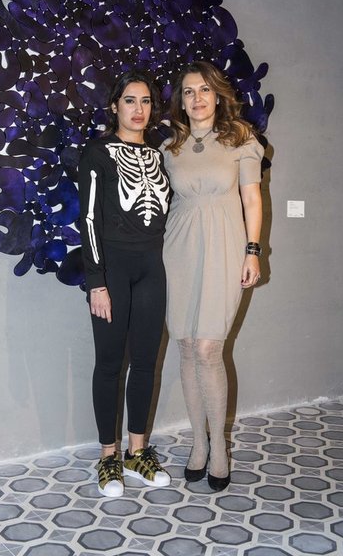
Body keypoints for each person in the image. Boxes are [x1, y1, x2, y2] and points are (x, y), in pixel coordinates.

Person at [161, 61, 264, 492]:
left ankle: (219, 446)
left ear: (218, 96)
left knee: (208, 347)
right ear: (181, 101)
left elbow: (252, 200)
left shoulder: (241, 139)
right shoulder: (170, 147)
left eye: (204, 89)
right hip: (178, 249)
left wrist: (253, 251)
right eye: (188, 92)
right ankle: (198, 443)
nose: (197, 98)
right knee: (186, 346)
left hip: (225, 246)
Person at [78, 70, 171, 497]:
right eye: (130, 100)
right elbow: (89, 219)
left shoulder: (159, 154)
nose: (139, 109)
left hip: (152, 267)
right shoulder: (97, 152)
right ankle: (108, 456)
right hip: (112, 269)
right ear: (115, 106)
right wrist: (96, 282)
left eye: (146, 101)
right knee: (110, 364)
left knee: (146, 362)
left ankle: (137, 451)